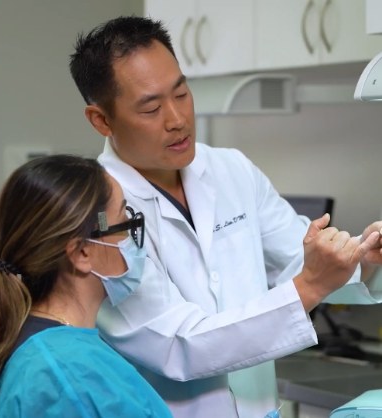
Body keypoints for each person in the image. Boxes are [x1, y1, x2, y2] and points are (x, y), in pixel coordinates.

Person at [69, 16, 382, 418]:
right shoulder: (98, 212)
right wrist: (308, 286)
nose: (177, 119)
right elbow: (178, 344)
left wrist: (363, 257)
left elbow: (301, 257)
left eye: (181, 93)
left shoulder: (231, 169)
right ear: (101, 120)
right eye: (151, 107)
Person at [0, 155, 173, 418]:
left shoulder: (49, 349)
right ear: (82, 252)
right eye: (124, 223)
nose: (131, 240)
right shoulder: (67, 371)